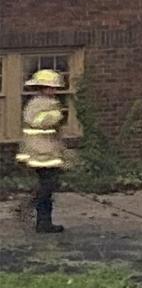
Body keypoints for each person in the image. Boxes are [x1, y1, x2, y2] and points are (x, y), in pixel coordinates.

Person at [15, 69, 67, 233]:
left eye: (54, 88)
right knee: (48, 186)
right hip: (41, 152)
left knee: (48, 186)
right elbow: (39, 122)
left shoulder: (41, 103)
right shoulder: (40, 104)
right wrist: (57, 115)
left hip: (44, 150)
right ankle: (41, 219)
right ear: (42, 88)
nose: (53, 91)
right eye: (50, 87)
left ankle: (42, 219)